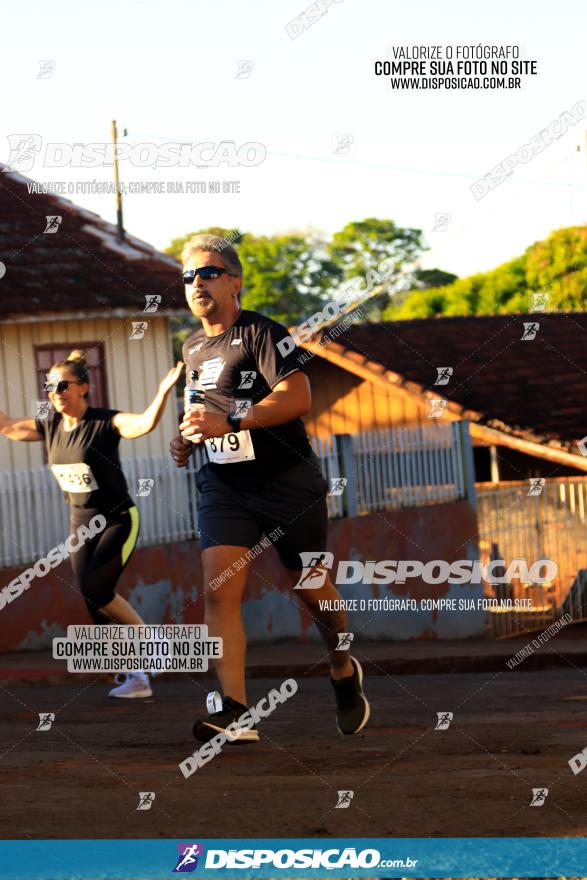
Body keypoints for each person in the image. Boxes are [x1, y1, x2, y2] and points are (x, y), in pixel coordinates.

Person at [169, 234, 370, 742]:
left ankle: (343, 667)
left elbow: (297, 395)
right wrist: (188, 439)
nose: (197, 284)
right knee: (219, 591)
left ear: (235, 282)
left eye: (208, 273)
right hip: (224, 486)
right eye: (188, 276)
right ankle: (235, 709)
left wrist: (233, 419)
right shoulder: (191, 347)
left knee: (312, 589)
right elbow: (206, 410)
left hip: (287, 483)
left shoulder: (262, 332)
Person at [0, 350, 183, 698]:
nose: (55, 392)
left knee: (99, 589)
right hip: (80, 524)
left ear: (84, 387)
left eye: (63, 385)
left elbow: (143, 424)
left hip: (117, 519)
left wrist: (161, 393)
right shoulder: (49, 424)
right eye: (49, 385)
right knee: (92, 602)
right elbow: (6, 425)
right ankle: (137, 679)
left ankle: (154, 641)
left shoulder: (104, 422)